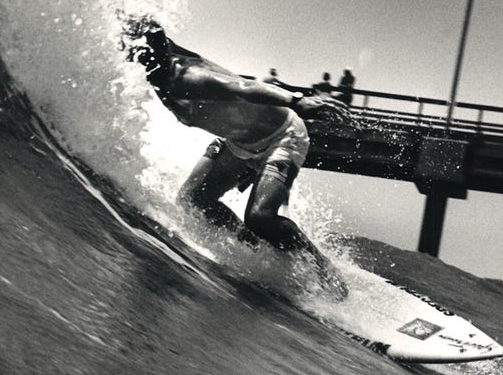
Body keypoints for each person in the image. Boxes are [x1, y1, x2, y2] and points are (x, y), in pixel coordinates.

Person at [124, 18, 349, 283]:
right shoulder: (158, 73)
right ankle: (251, 245)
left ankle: (323, 270)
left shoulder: (187, 78)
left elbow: (245, 87)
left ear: (150, 54)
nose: (130, 59)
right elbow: (147, 28)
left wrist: (296, 101)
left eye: (134, 53)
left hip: (281, 137)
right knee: (192, 199)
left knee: (260, 217)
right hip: (235, 142)